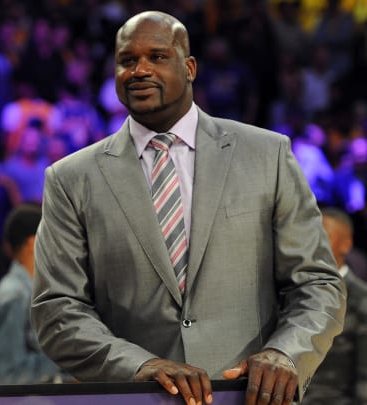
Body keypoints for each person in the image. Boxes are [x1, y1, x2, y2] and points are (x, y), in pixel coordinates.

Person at [30, 11, 346, 405]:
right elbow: (57, 308)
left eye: (157, 57)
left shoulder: (267, 154)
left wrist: (286, 353)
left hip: (247, 396)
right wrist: (138, 366)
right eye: (127, 61)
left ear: (190, 67)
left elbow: (318, 283)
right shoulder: (71, 178)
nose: (140, 70)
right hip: (136, 398)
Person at [0, 204, 64, 385]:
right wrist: (64, 362)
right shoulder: (14, 295)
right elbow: (7, 376)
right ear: (33, 243)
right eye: (53, 237)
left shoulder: (32, 290)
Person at [301, 207, 367, 404]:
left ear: (346, 245)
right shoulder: (293, 291)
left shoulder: (361, 300)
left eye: (324, 235)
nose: (315, 242)